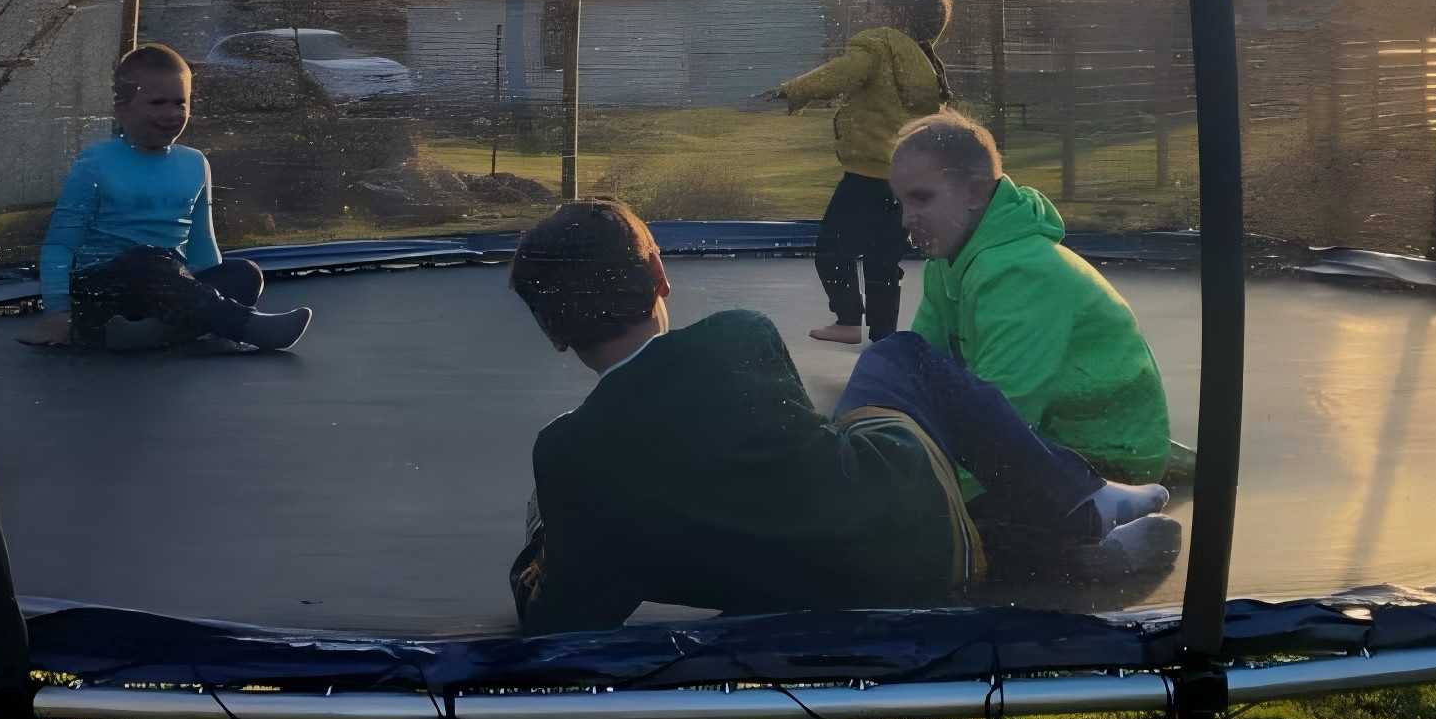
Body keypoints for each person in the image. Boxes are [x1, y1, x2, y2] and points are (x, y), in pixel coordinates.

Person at [500, 199, 1177, 634]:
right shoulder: (737, 336)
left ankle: (1074, 553)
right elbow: (795, 465)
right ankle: (1079, 504)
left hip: (792, 596)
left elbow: (565, 616)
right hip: (911, 534)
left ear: (554, 333)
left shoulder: (568, 455)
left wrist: (548, 522)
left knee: (796, 537)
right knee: (904, 359)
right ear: (660, 276)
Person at [891, 113, 1178, 484]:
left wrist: (924, 497)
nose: (905, 219)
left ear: (975, 194)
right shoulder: (947, 265)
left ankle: (1097, 521)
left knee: (919, 512)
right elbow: (919, 372)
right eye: (901, 202)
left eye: (921, 198)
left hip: (1108, 458)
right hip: (1048, 438)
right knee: (888, 361)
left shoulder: (1020, 272)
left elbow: (1005, 422)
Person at [19, 43, 311, 354]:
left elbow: (201, 241)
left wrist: (203, 287)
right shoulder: (95, 163)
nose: (171, 114)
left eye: (180, 103)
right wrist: (57, 312)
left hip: (167, 286)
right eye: (158, 103)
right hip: (103, 291)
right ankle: (246, 326)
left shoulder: (195, 163)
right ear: (122, 108)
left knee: (244, 274)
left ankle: (147, 335)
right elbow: (60, 245)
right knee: (148, 261)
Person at [743, 0, 953, 345]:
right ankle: (884, 335)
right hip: (904, 178)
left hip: (865, 175)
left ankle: (847, 319)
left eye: (872, 7)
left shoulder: (877, 45)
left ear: (895, 14)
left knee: (830, 249)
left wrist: (792, 90)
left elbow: (840, 73)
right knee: (883, 261)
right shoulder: (927, 61)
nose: (865, 13)